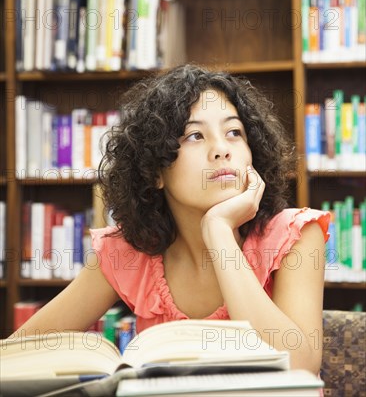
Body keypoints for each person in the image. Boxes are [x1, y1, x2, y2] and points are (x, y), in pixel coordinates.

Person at [12, 64, 329, 375]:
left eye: (234, 132)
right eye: (194, 136)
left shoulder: (296, 235)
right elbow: (19, 354)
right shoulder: (130, 252)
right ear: (154, 171)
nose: (221, 149)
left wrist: (218, 232)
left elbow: (299, 366)